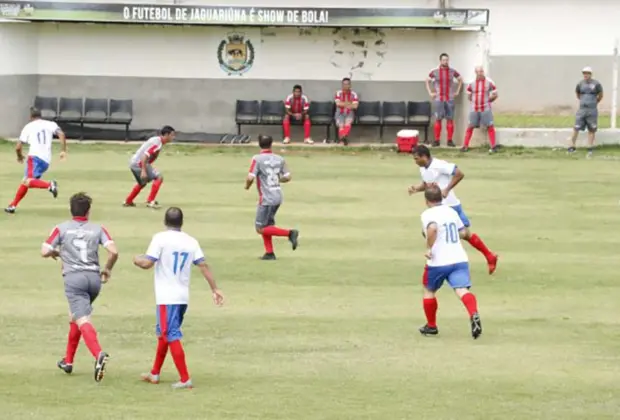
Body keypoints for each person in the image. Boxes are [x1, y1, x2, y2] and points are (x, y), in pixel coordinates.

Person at [134, 207, 224, 389]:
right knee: (164, 334)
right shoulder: (191, 241)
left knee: (170, 334)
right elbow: (203, 265)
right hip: (182, 296)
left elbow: (147, 263)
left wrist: (136, 259)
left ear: (165, 221)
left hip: (167, 297)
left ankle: (185, 379)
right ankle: (155, 373)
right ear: (181, 222)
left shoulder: (160, 238)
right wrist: (215, 289)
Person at [42, 192, 118, 382]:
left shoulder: (61, 228)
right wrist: (107, 269)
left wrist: (57, 252)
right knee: (74, 316)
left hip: (74, 279)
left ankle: (98, 354)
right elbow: (114, 252)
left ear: (71, 210)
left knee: (83, 319)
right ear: (88, 211)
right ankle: (68, 361)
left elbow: (44, 250)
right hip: (94, 279)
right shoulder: (98, 228)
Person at [408, 145, 498, 274]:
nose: (415, 161)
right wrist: (416, 188)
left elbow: (459, 174)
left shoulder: (439, 165)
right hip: (438, 206)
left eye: (416, 159)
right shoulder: (423, 168)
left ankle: (440, 262)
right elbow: (427, 183)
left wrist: (447, 189)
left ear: (424, 157)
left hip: (450, 206)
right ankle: (489, 256)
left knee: (454, 234)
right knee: (433, 232)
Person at [418, 185, 482, 339]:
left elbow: (432, 228)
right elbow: (464, 232)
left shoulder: (427, 214)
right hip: (459, 258)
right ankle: (473, 313)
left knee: (429, 290)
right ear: (441, 197)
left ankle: (431, 326)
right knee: (462, 290)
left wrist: (429, 248)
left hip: (439, 261)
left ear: (426, 200)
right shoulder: (451, 211)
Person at [245, 134, 299, 260]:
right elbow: (288, 176)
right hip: (277, 195)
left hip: (266, 198)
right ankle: (269, 253)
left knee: (260, 228)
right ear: (271, 144)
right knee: (267, 225)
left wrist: (247, 186)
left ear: (259, 144)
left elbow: (250, 177)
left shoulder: (257, 159)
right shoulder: (279, 158)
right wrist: (277, 180)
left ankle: (290, 233)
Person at [5, 107, 67, 214]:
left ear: (30, 117)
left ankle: (50, 185)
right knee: (26, 181)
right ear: (40, 115)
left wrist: (19, 156)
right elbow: (61, 134)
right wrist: (63, 151)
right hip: (46, 161)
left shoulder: (28, 127)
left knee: (28, 181)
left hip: (34, 158)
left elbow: (18, 147)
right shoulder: (50, 124)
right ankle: (13, 205)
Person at [123, 126, 176, 209]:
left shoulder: (157, 141)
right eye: (172, 135)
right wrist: (144, 171)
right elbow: (144, 156)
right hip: (138, 163)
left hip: (134, 163)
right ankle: (151, 201)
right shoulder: (157, 143)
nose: (173, 137)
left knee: (142, 183)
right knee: (159, 177)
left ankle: (128, 201)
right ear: (166, 134)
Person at [426, 53, 463, 147]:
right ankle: (437, 140)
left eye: (447, 60)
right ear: (440, 61)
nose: (445, 61)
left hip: (449, 98)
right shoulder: (434, 71)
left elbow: (460, 79)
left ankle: (450, 140)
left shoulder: (452, 71)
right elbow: (427, 80)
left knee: (450, 120)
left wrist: (457, 91)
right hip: (439, 99)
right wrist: (430, 92)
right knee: (438, 119)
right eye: (443, 60)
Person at [461, 66, 499, 153]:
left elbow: (495, 94)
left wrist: (489, 101)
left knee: (490, 126)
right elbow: (469, 96)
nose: (480, 73)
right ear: (475, 73)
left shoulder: (489, 82)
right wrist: (475, 102)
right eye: (478, 72)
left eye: (482, 71)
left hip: (486, 108)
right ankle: (465, 146)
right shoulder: (471, 83)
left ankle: (493, 146)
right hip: (474, 108)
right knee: (470, 126)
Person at [568, 67, 603, 157]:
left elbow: (600, 95)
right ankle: (572, 146)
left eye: (587, 73)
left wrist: (594, 102)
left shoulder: (596, 84)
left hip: (592, 110)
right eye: (584, 73)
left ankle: (590, 147)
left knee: (592, 129)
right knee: (576, 127)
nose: (585, 75)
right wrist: (584, 101)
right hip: (582, 109)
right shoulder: (580, 84)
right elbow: (577, 93)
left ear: (591, 74)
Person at [334, 77, 359, 146]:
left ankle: (342, 139)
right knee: (341, 125)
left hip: (349, 113)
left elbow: (355, 106)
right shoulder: (338, 93)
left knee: (348, 123)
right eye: (344, 84)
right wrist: (349, 103)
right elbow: (338, 104)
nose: (346, 86)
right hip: (339, 113)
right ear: (342, 85)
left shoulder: (354, 94)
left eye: (347, 84)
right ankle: (343, 140)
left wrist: (344, 104)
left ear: (350, 85)